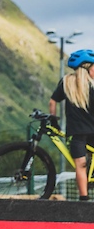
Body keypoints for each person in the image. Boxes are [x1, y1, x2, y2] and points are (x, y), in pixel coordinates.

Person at [48, 49, 94, 201]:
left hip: (76, 133)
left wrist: (54, 120)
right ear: (87, 68)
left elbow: (52, 101)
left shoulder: (66, 82)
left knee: (80, 166)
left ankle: (84, 199)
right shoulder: (92, 86)